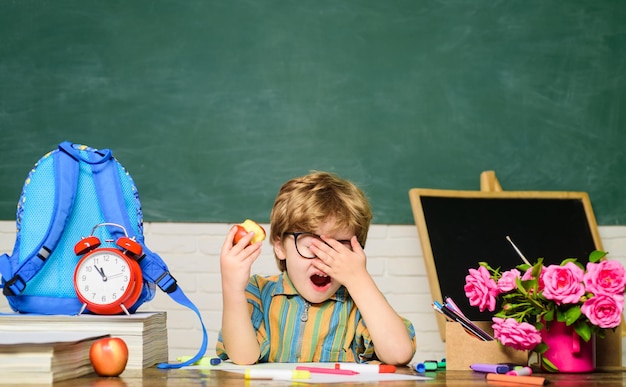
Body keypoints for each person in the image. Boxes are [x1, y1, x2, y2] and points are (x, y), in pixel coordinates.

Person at [216, 171, 416, 365]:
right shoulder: (258, 292)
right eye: (311, 246)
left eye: (337, 249)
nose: (323, 260)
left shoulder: (359, 302)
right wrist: (232, 288)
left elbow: (399, 353)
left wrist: (359, 280)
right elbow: (244, 357)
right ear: (280, 246)